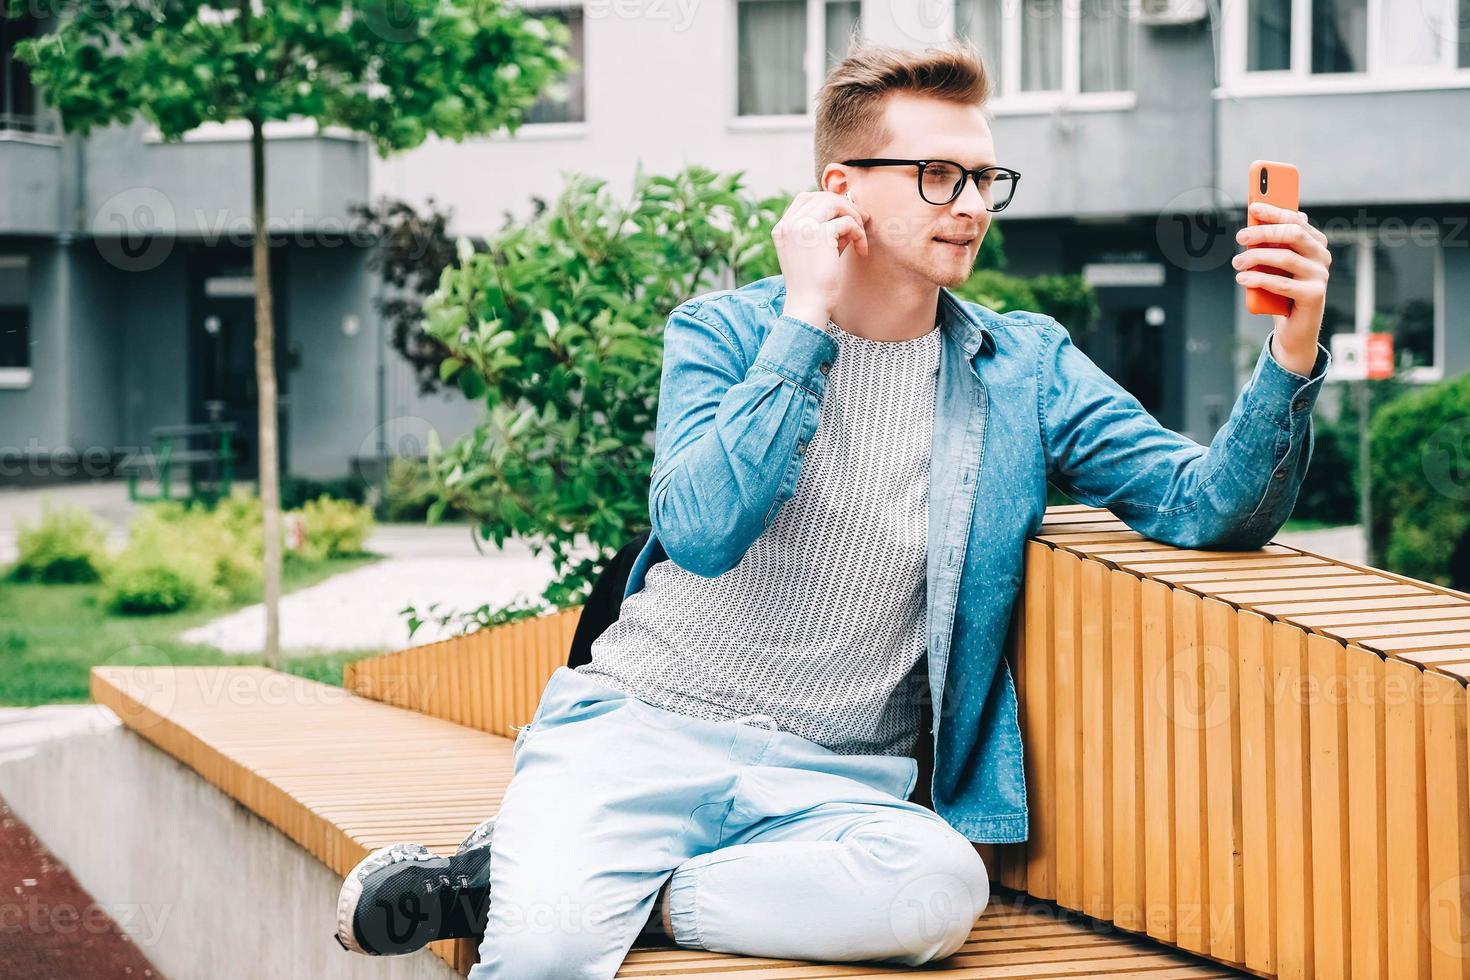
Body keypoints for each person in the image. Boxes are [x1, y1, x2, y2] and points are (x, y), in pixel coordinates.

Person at [334, 36, 1333, 977]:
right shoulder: (725, 332)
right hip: (641, 730)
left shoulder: (1022, 368)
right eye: (938, 176)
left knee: (938, 892)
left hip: (834, 783)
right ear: (841, 190)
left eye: (984, 178)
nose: (972, 204)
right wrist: (803, 322)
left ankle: (605, 890)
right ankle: (563, 882)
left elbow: (1205, 507)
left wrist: (1293, 346)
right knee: (545, 959)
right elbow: (703, 527)